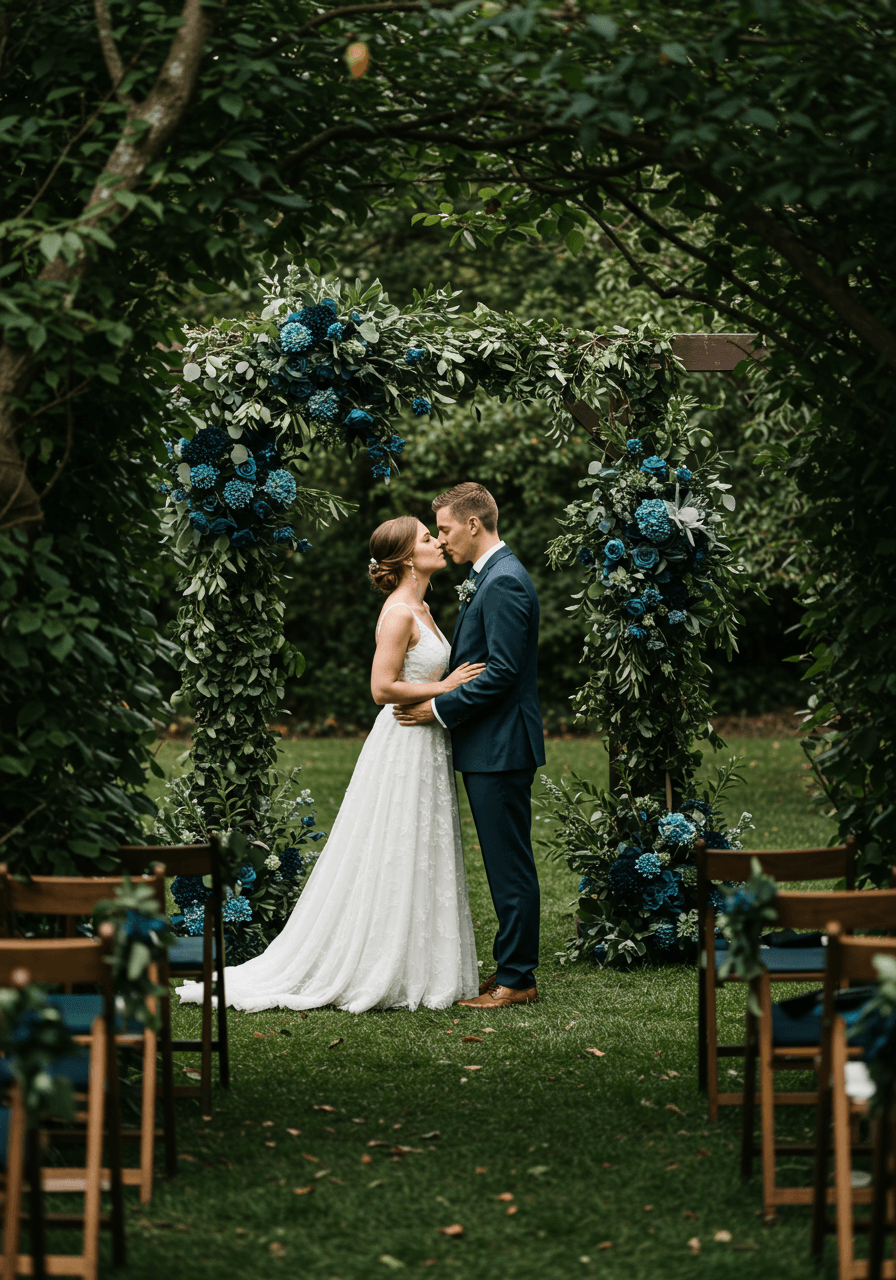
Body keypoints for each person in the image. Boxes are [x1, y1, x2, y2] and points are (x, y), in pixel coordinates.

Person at [178, 515, 483, 1014]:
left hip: (426, 739)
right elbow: (382, 688)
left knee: (419, 845)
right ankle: (374, 962)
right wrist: (446, 687)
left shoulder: (425, 607)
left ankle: (419, 962)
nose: (438, 542)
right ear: (407, 557)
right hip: (403, 740)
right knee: (393, 843)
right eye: (428, 538)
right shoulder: (398, 613)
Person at [393, 482, 545, 1008]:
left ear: (474, 524)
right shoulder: (491, 577)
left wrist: (435, 708)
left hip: (501, 745)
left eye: (447, 529)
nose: (441, 539)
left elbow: (501, 672)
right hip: (492, 743)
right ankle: (511, 968)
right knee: (505, 861)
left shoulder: (502, 582)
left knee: (509, 864)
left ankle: (518, 979)